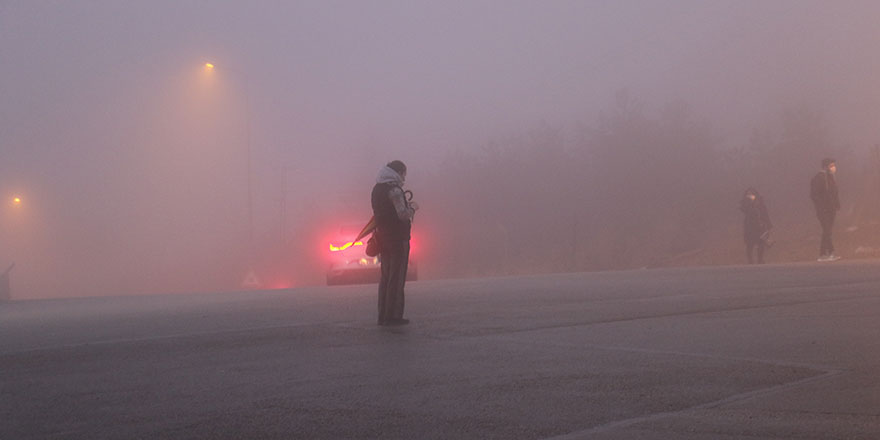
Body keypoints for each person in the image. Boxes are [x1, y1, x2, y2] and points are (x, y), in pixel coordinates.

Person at [371, 160, 418, 326]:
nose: (404, 177)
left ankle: (382, 315)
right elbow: (402, 215)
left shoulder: (377, 189)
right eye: (404, 173)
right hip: (398, 239)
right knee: (397, 278)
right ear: (398, 172)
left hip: (383, 238)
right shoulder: (394, 190)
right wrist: (413, 208)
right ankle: (394, 316)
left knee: (385, 277)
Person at [810, 158, 841, 262]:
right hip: (823, 210)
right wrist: (822, 206)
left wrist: (837, 204)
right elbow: (814, 195)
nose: (833, 167)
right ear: (825, 166)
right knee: (827, 230)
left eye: (834, 165)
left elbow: (834, 193)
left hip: (831, 209)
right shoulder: (818, 178)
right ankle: (830, 252)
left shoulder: (831, 177)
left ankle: (823, 254)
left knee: (827, 231)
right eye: (831, 165)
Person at [740, 188, 772, 264]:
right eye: (750, 195)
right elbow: (743, 208)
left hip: (759, 226)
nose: (752, 197)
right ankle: (750, 260)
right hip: (750, 227)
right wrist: (748, 201)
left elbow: (765, 214)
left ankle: (760, 259)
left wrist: (768, 224)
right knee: (750, 244)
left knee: (761, 243)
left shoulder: (760, 204)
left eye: (753, 195)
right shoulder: (747, 204)